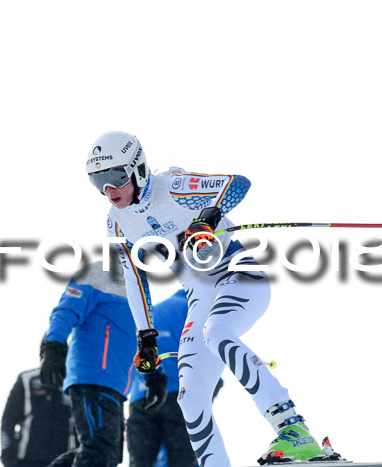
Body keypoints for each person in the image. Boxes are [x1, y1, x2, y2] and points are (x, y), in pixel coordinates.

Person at [85, 131, 329, 466]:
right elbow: (134, 278)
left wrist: (207, 218)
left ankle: (294, 429)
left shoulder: (171, 186)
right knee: (189, 398)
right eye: (98, 181)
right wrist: (147, 336)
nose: (108, 190)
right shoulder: (117, 223)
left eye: (116, 177)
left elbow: (236, 184)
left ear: (138, 169)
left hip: (239, 276)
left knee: (217, 333)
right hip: (199, 296)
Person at [40, 261, 138, 467]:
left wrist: (155, 375)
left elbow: (139, 339)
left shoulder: (137, 282)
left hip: (115, 384)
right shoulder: (99, 272)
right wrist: (53, 346)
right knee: (100, 451)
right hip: (94, 376)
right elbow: (66, 309)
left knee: (105, 454)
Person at [127, 289, 221, 467]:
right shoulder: (194, 311)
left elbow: (135, 358)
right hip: (179, 397)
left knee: (140, 461)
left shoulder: (151, 314)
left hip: (141, 398)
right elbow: (207, 351)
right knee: (182, 459)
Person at [0, 354, 75, 467]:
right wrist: (8, 456)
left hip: (64, 461)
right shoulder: (27, 379)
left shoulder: (74, 384)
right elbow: (8, 420)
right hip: (27, 460)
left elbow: (82, 428)